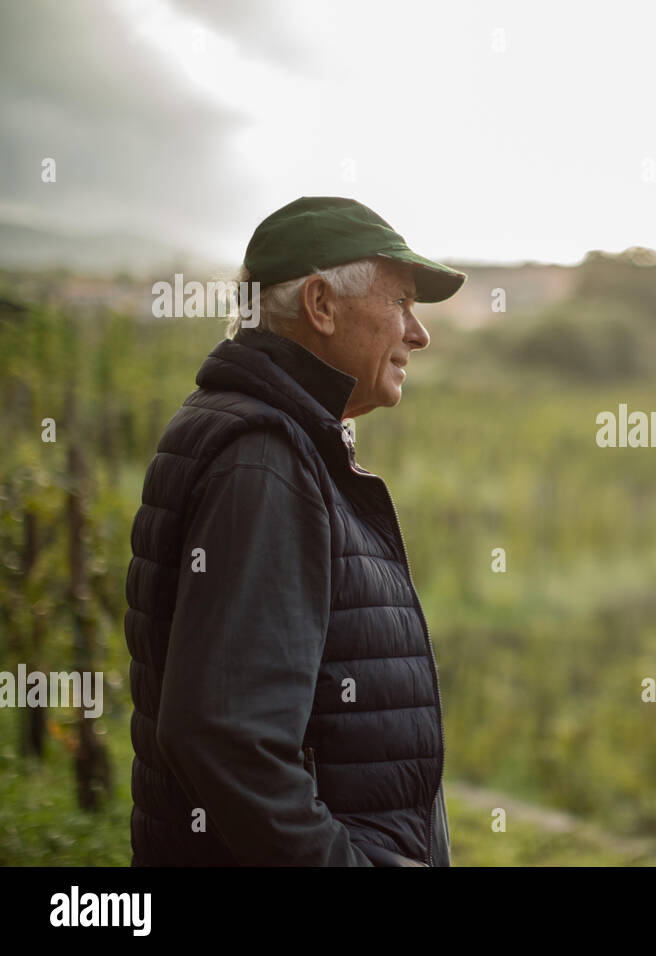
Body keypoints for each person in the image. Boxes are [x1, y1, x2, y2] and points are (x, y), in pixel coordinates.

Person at [124, 196, 465, 865]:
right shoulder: (264, 458)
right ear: (321, 303)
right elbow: (222, 735)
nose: (418, 334)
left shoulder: (273, 435)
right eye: (401, 301)